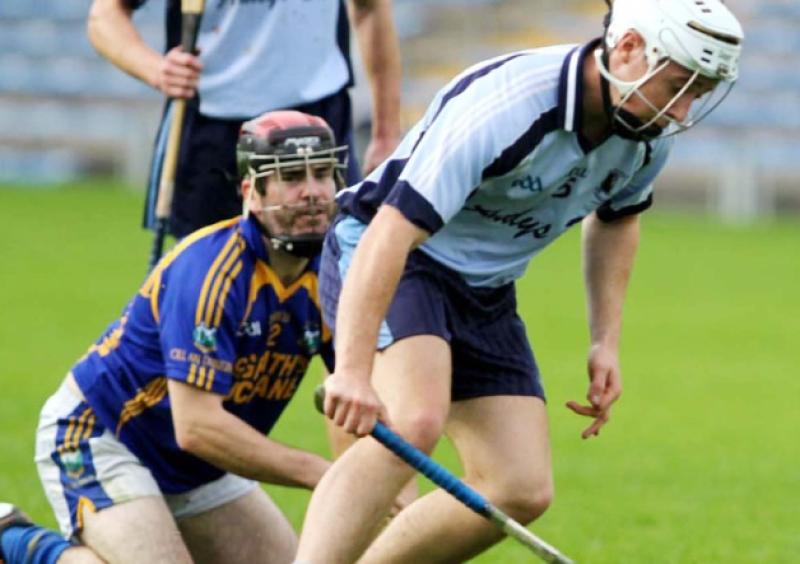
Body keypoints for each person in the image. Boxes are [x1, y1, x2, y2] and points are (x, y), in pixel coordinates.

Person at [295, 0, 744, 562]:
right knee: (411, 421)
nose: (681, 112)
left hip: (486, 289)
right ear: (628, 49)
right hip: (401, 254)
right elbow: (390, 229)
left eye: (696, 95)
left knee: (519, 486)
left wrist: (605, 340)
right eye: (678, 86)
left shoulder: (648, 133)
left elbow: (618, 219)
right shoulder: (512, 105)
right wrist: (354, 372)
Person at [0, 111, 346, 564]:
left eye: (322, 174)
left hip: (198, 468)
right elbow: (198, 427)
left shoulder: (335, 274)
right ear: (252, 193)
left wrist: (373, 486)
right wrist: (323, 474)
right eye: (292, 177)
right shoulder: (211, 270)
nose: (313, 193)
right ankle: (19, 543)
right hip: (102, 436)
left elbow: (358, 396)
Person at [87, 0, 401, 238]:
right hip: (212, 127)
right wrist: (156, 70)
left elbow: (370, 9)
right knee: (210, 281)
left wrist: (386, 132)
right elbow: (105, 16)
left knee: (332, 279)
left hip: (317, 123)